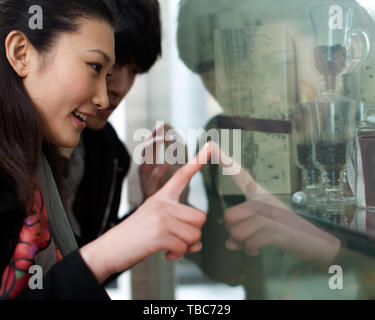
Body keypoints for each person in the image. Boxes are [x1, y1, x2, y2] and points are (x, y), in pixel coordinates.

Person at [0, 0, 211, 300]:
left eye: (134, 70)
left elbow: (78, 271)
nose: (113, 91)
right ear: (22, 53)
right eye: (98, 67)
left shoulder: (106, 153)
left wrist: (145, 218)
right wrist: (112, 249)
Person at [176, 0, 375, 299]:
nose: (269, 90)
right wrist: (183, 217)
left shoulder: (364, 139)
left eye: (282, 63)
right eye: (208, 72)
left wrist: (322, 245)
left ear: (344, 57)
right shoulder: (232, 139)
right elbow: (236, 266)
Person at [60, 0, 166, 248]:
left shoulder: (110, 153)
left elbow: (88, 272)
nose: (120, 87)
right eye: (103, 64)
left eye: (134, 71)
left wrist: (148, 210)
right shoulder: (13, 145)